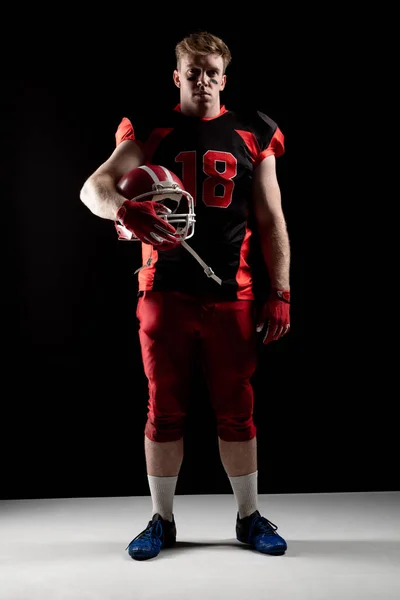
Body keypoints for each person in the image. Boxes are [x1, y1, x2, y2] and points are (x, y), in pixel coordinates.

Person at [80, 31, 291, 561]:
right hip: (165, 290)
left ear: (226, 76)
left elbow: (270, 219)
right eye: (192, 72)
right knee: (164, 409)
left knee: (237, 411)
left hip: (232, 291)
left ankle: (248, 517)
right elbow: (95, 188)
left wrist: (281, 290)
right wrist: (124, 210)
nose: (203, 81)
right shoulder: (151, 130)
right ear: (177, 77)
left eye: (212, 72)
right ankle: (161, 520)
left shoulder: (253, 131)